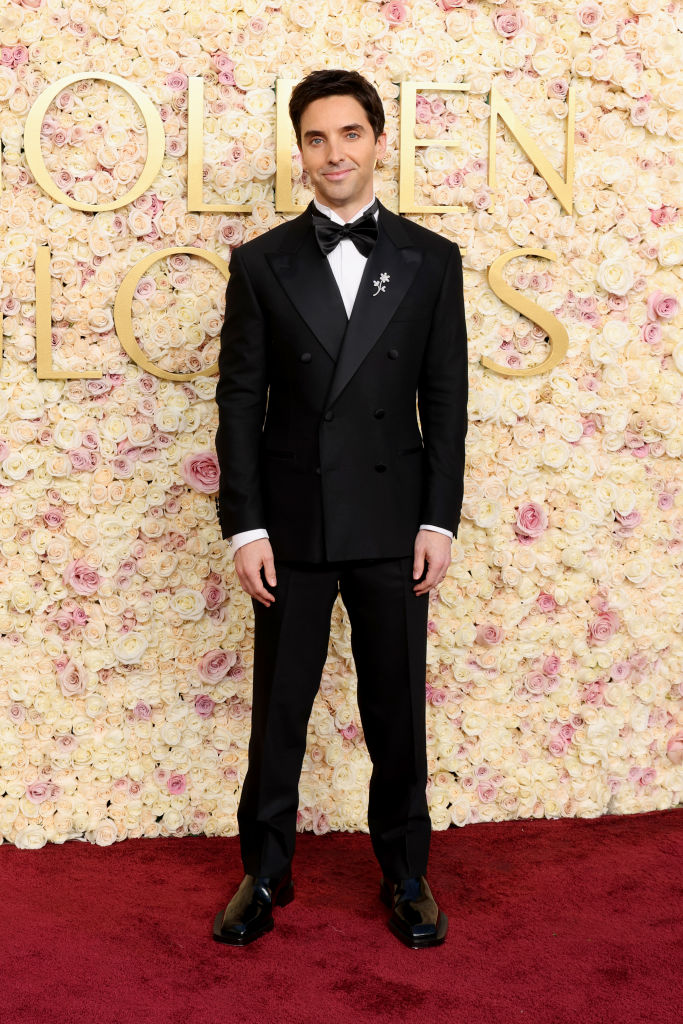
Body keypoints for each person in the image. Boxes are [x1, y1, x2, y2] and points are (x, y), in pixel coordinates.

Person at [212, 69, 468, 949]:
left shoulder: (432, 260)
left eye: (350, 134)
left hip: (396, 524)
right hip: (292, 525)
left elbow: (446, 397)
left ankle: (405, 873)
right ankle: (265, 871)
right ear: (300, 151)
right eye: (317, 138)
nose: (334, 154)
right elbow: (239, 403)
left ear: (378, 141)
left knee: (396, 705)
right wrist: (244, 525)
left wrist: (439, 520)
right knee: (280, 706)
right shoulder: (261, 262)